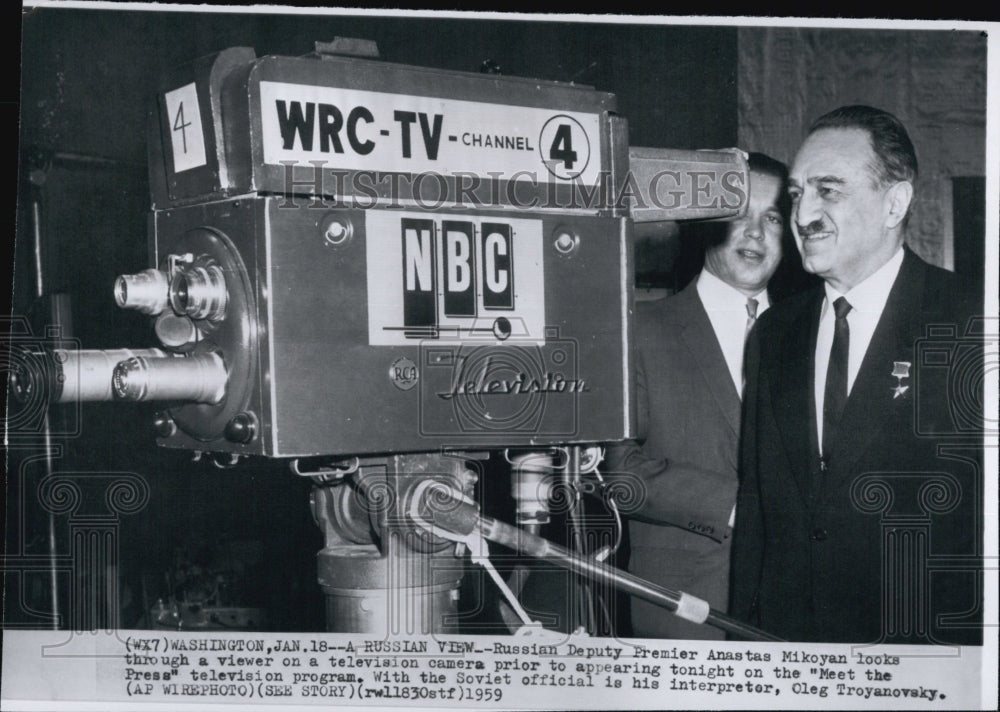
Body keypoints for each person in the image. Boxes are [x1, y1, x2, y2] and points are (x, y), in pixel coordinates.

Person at [729, 105, 982, 645]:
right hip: (789, 652)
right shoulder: (775, 332)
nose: (803, 216)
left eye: (829, 190)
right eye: (797, 194)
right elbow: (756, 517)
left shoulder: (971, 320)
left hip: (922, 655)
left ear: (896, 203)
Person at [604, 153, 788, 639]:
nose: (755, 232)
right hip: (682, 611)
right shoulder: (638, 331)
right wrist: (739, 506)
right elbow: (615, 470)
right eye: (738, 213)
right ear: (702, 225)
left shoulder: (814, 334)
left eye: (773, 218)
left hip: (793, 610)